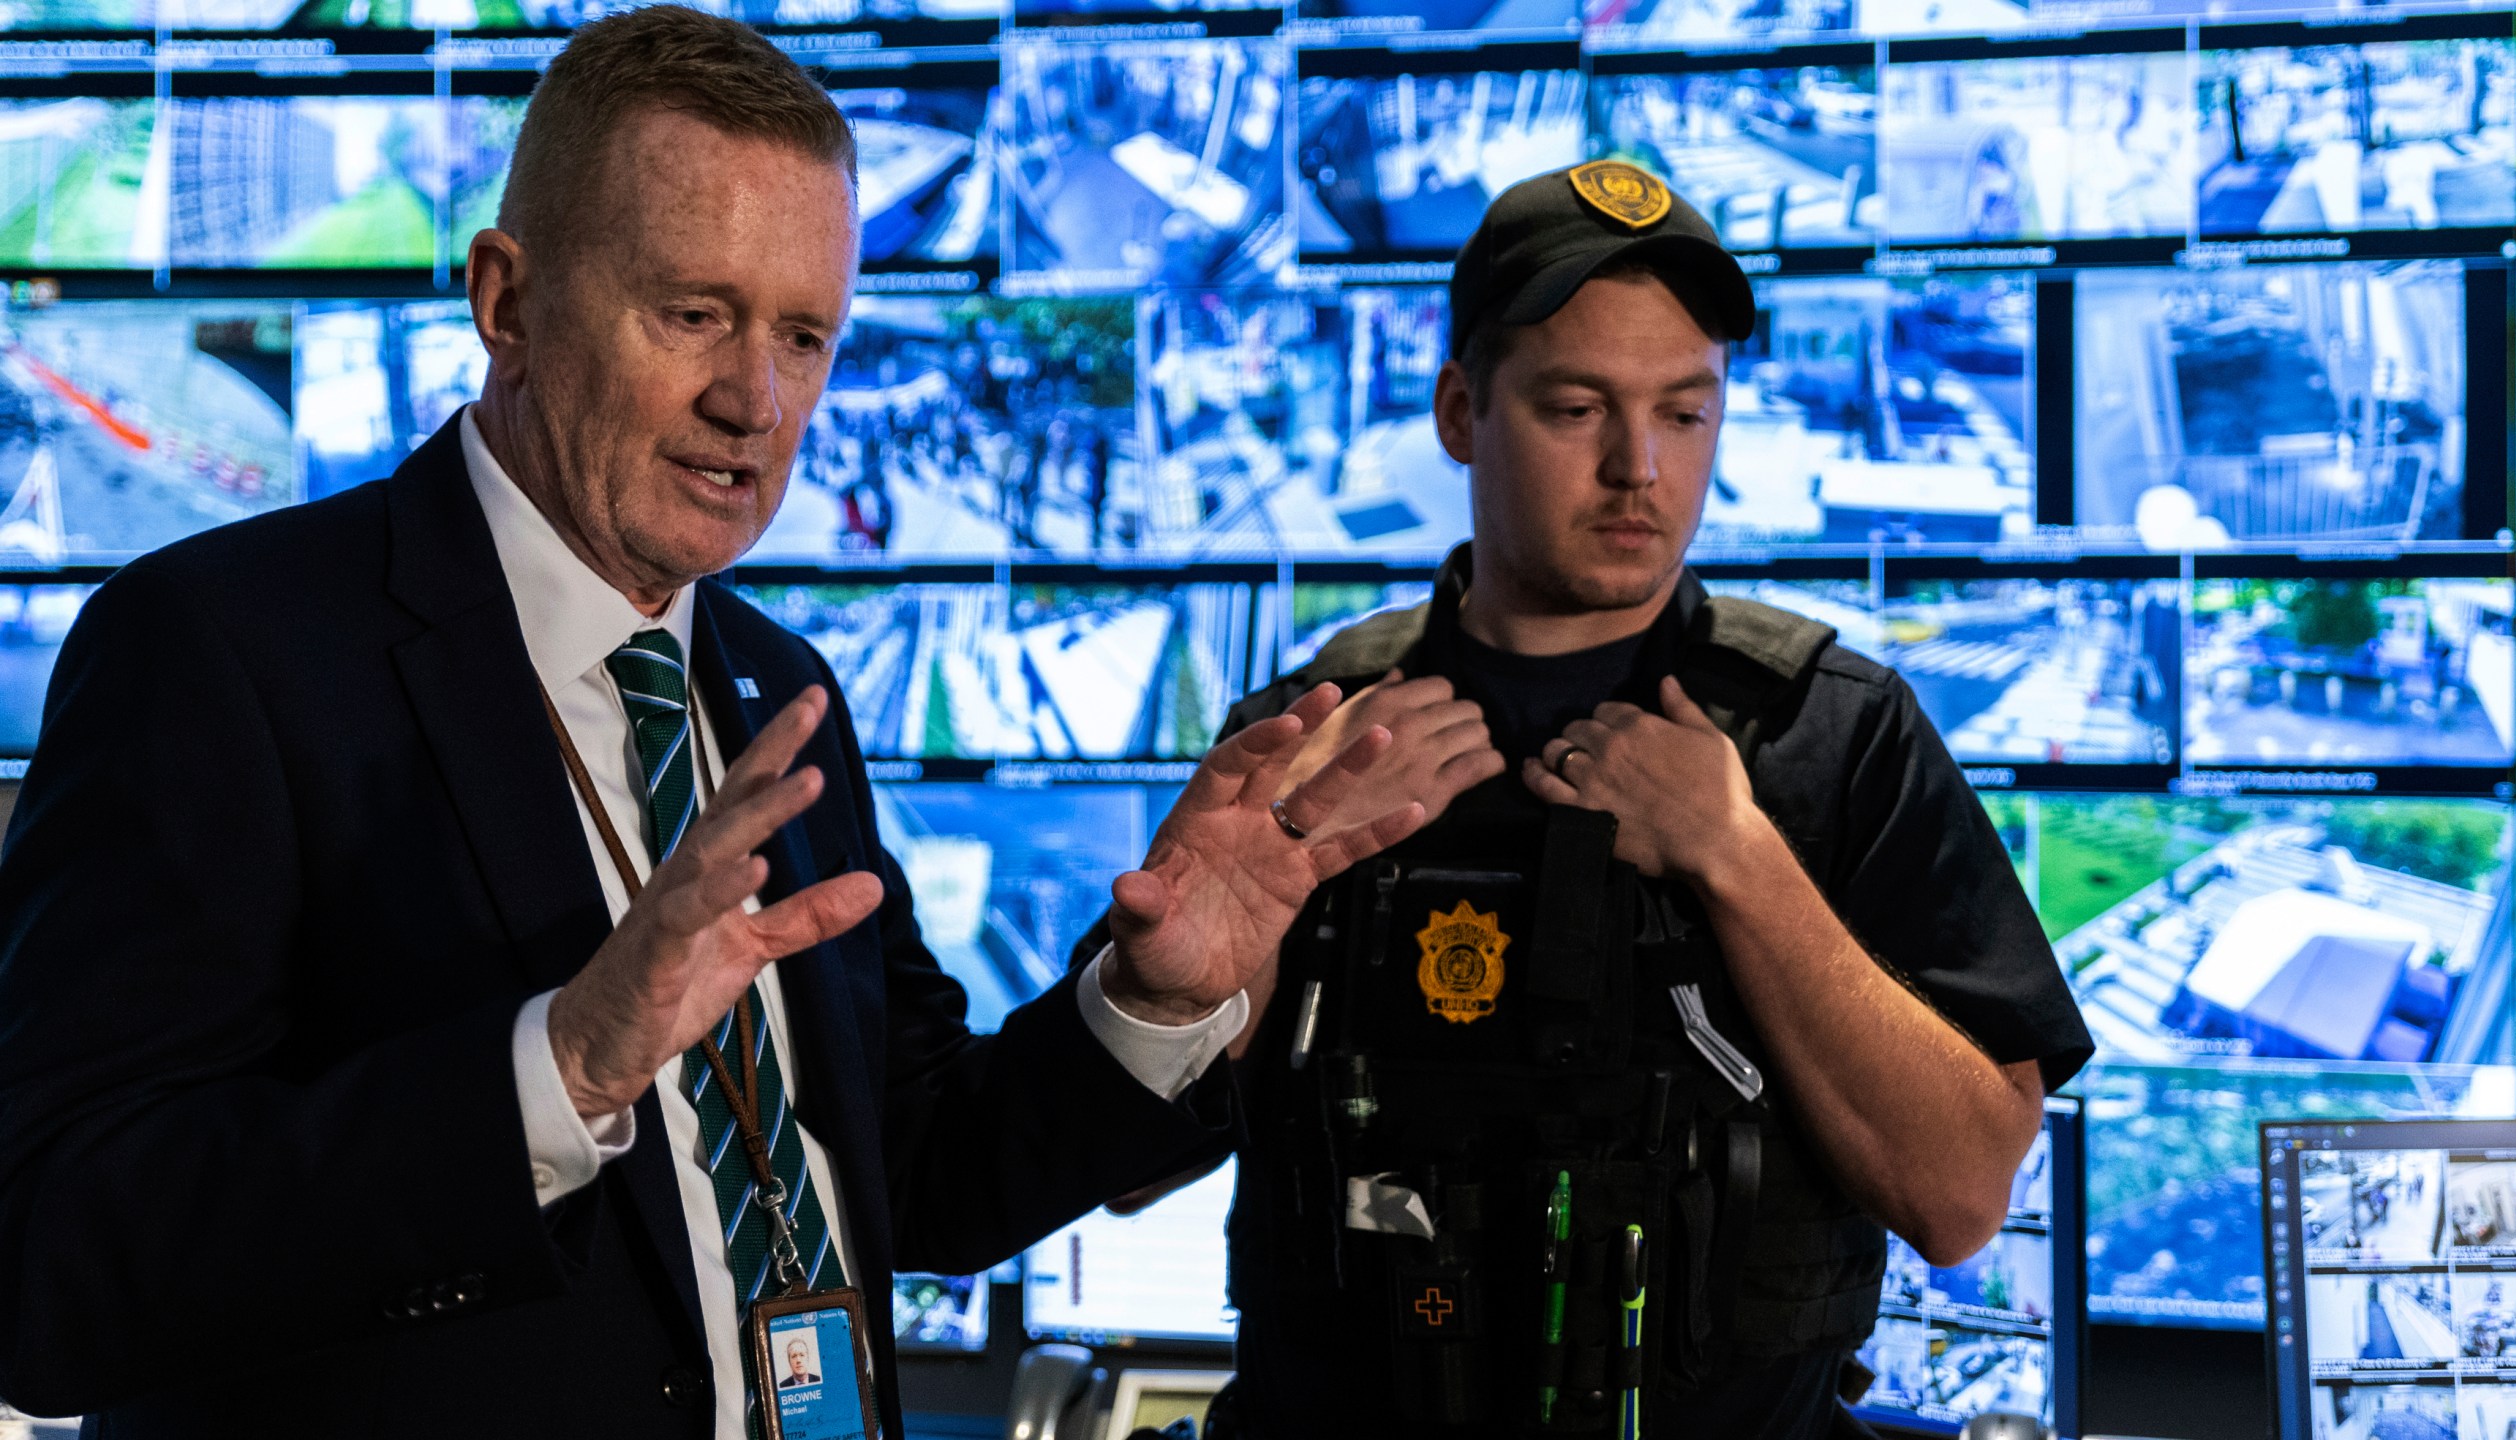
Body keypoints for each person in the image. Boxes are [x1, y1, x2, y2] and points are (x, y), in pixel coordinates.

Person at [0, 10, 1416, 1438]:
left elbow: (909, 1171)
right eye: (693, 314)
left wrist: (1152, 1003)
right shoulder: (225, 649)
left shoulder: (772, 689)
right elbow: (55, 1265)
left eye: (804, 335)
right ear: (507, 301)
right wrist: (557, 1069)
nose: (756, 400)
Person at [1110, 162, 2095, 1438]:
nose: (1639, 468)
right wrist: (1191, 976)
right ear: (1462, 411)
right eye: (1578, 408)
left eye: (1686, 414)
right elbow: (1120, 1172)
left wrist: (1739, 858)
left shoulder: (1828, 732)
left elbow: (1963, 1195)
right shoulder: (1314, 742)